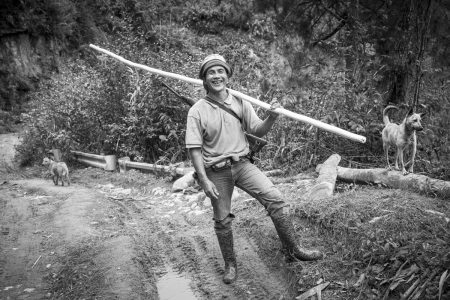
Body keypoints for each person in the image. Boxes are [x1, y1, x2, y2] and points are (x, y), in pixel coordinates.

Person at [185, 54, 323, 284]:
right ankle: (230, 265)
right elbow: (194, 149)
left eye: (221, 71)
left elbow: (257, 130)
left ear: (227, 75)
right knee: (222, 219)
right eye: (211, 72)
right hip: (216, 171)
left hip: (243, 164)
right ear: (204, 79)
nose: (217, 76)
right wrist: (204, 179)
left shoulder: (240, 101)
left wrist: (271, 117)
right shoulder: (197, 111)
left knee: (275, 198)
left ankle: (294, 249)